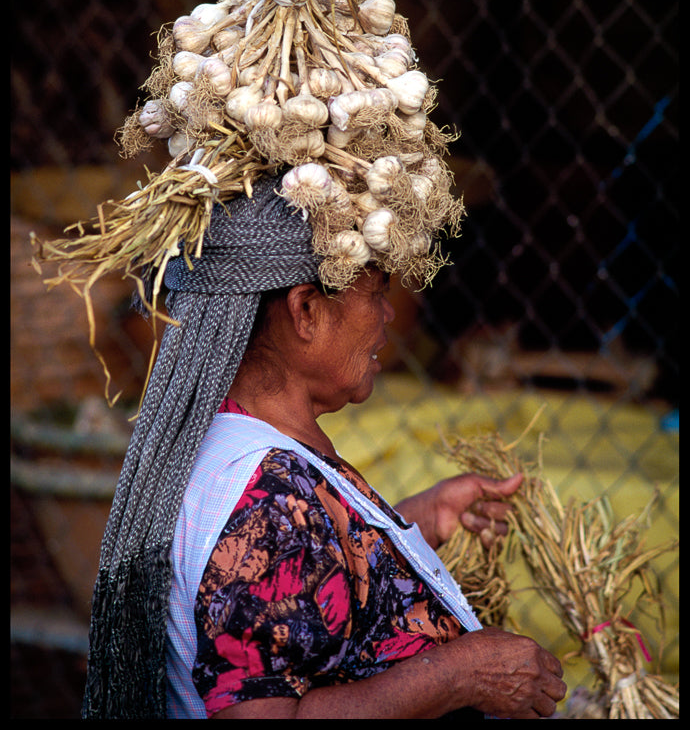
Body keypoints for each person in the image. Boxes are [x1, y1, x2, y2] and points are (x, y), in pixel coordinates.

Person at [82, 176, 567, 720]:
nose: (388, 315)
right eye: (378, 290)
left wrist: (417, 520)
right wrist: (462, 675)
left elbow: (296, 587)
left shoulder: (246, 457)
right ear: (306, 311)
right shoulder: (265, 497)